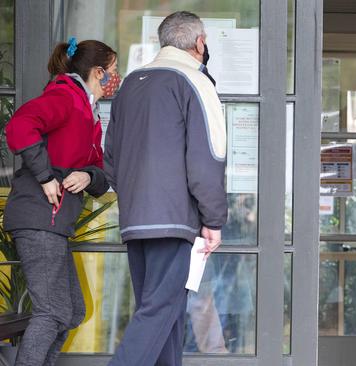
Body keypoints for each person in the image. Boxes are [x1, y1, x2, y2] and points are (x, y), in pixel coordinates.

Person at [104, 11, 228, 366]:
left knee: (165, 314)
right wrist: (213, 219)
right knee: (159, 311)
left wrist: (134, 195)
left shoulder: (130, 85)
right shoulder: (194, 81)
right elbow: (208, 157)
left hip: (135, 218)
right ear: (199, 42)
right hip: (174, 219)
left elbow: (110, 155)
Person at [3, 37, 114, 366]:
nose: (115, 77)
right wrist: (46, 176)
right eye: (113, 70)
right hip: (39, 219)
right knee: (51, 312)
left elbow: (100, 171)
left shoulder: (86, 109)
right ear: (98, 72)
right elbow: (19, 126)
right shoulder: (65, 96)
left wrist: (88, 177)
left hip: (53, 224)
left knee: (71, 312)